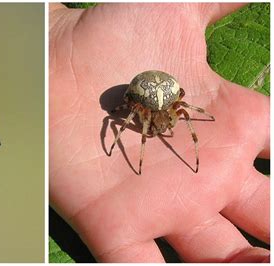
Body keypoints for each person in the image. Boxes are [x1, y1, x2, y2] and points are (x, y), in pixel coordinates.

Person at [49, 3, 269, 262]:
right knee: (138, 121)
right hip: (143, 93)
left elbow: (185, 107)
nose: (164, 130)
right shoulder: (142, 114)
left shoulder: (175, 110)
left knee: (182, 109)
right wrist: (53, 32)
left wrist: (53, 27)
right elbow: (126, 114)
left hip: (163, 91)